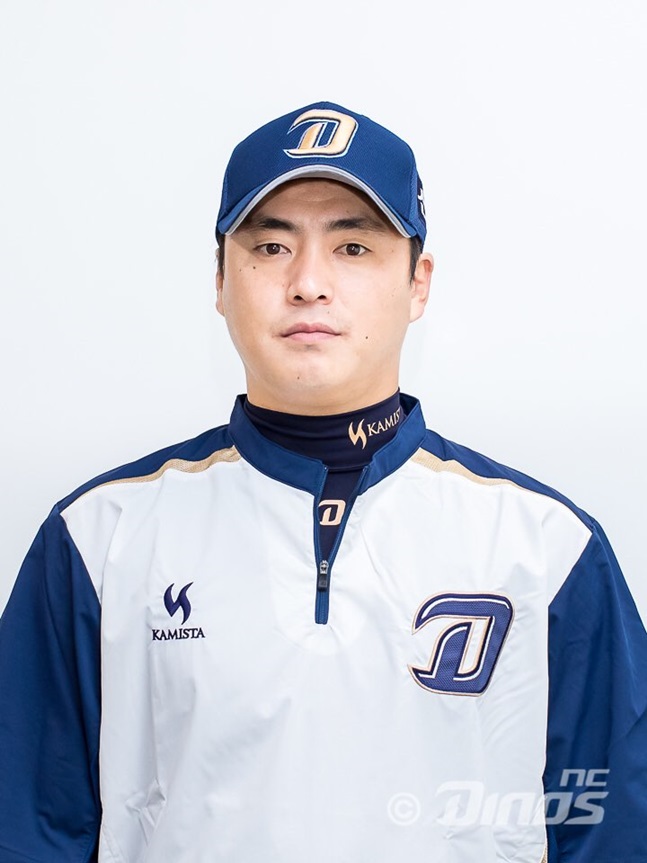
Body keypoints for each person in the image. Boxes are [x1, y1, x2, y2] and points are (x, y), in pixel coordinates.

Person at [0, 101, 645, 863]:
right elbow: (30, 829)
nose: (308, 282)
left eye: (353, 246)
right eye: (271, 245)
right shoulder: (100, 534)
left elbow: (611, 832)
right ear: (220, 280)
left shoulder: (543, 545)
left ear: (417, 283)